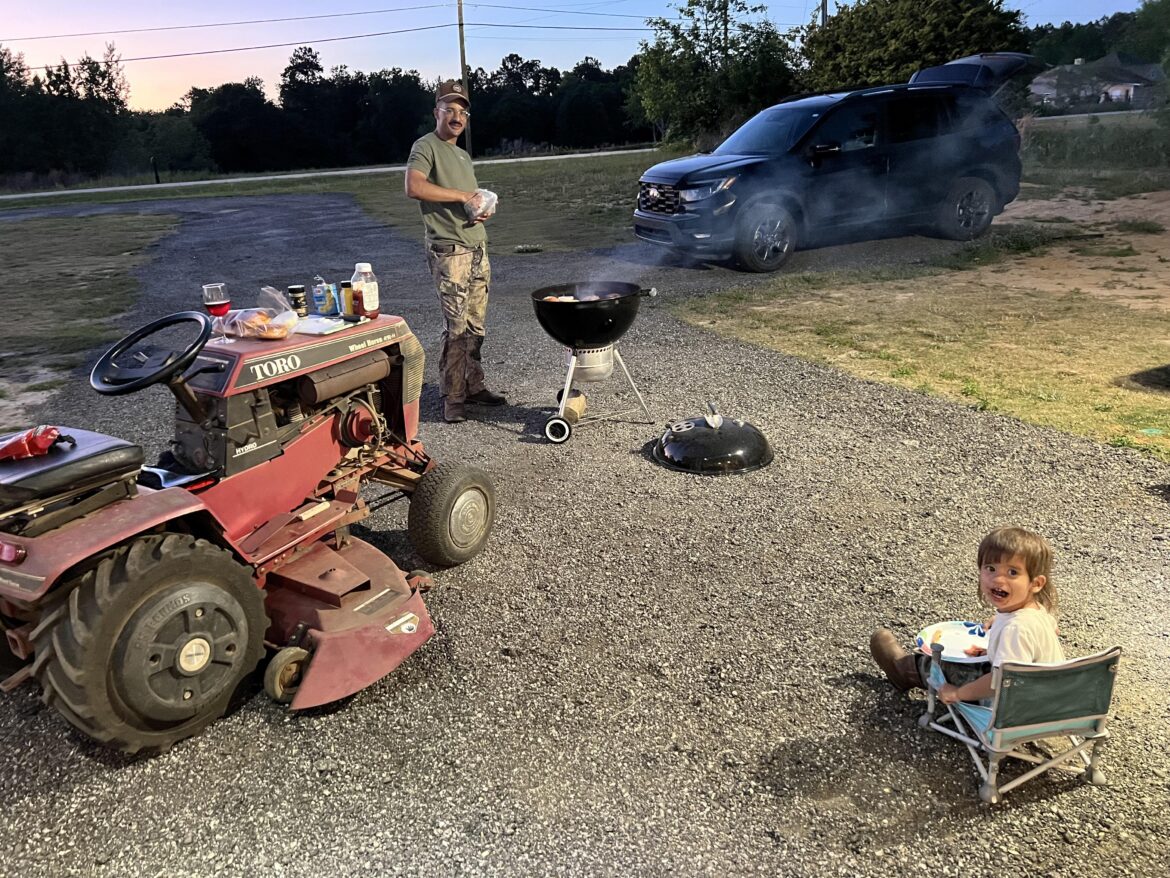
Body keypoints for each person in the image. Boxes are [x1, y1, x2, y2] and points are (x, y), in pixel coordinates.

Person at [405, 79, 506, 424]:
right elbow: (414, 186)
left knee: (476, 326)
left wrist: (480, 206)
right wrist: (464, 196)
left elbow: (464, 198)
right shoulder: (426, 146)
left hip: (477, 246)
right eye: (449, 109)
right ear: (437, 112)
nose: (456, 117)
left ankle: (473, 384)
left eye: (462, 112)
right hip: (450, 252)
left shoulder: (462, 155)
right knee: (457, 326)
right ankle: (453, 396)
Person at [870, 526, 1064, 702]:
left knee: (948, 665)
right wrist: (1001, 625)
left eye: (1012, 572)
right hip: (1049, 705)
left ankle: (904, 671)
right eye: (991, 568)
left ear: (1036, 583)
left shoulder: (1015, 629)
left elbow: (998, 682)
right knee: (980, 660)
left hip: (1012, 711)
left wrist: (958, 693)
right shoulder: (1039, 613)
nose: (998, 579)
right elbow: (1046, 632)